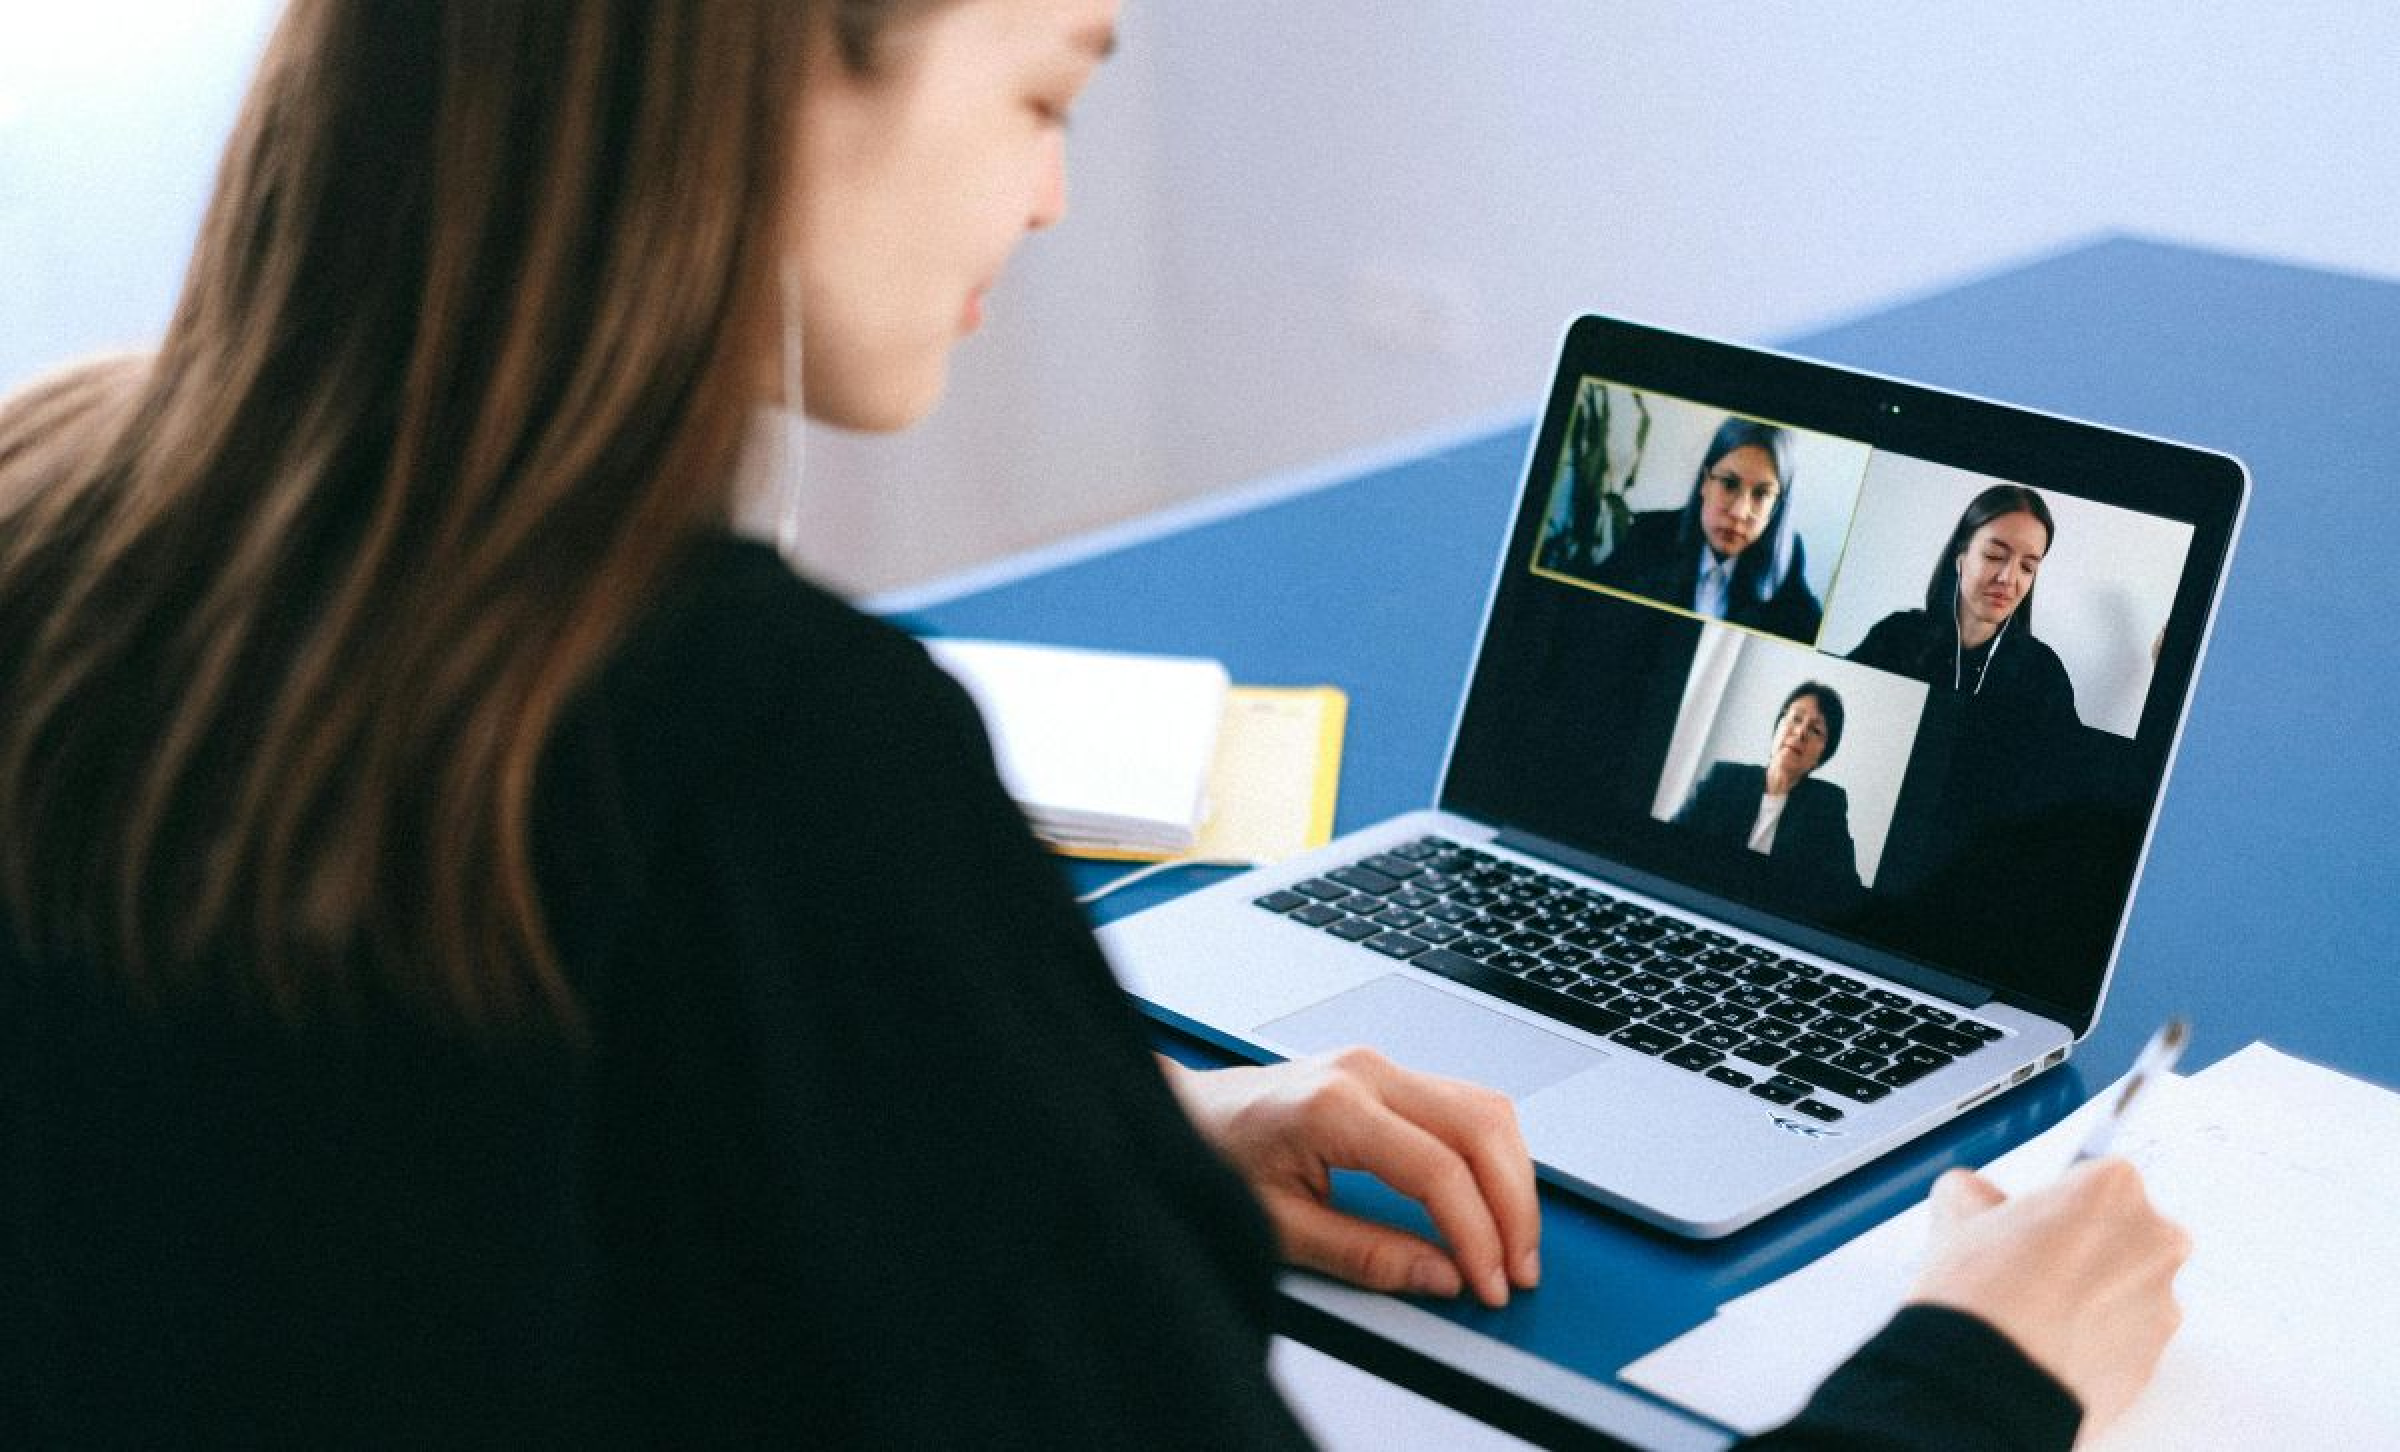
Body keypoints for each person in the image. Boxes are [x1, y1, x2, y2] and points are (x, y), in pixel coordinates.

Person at [0, 1, 2185, 1445]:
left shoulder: (57, 510)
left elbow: (441, 1167)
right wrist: (1977, 1372)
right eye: (1045, 93)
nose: (1050, 194)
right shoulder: (774, 754)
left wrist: (1093, 1142)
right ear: (769, 74)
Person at [1848, 484, 2080, 724]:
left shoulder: (2044, 673)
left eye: (2027, 567)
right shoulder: (1895, 637)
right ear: (1960, 558)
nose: (2008, 579)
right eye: (1994, 556)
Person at [1596, 416, 1825, 644]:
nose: (1739, 512)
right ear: (1705, 482)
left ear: (1776, 507)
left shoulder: (1787, 560)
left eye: (1761, 494)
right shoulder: (1650, 534)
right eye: (1729, 484)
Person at [1675, 682, 1865, 897]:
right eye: (1796, 718)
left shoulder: (1826, 806)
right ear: (1778, 726)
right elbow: (1672, 842)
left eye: (1816, 730)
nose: (1801, 732)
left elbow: (1845, 890)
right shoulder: (1724, 778)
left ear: (1822, 755)